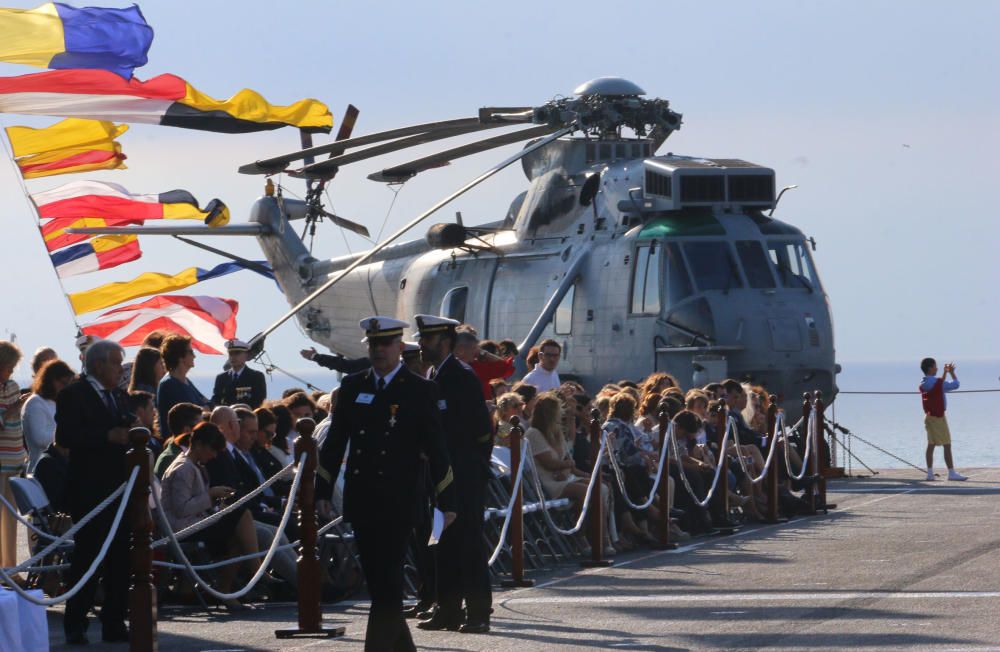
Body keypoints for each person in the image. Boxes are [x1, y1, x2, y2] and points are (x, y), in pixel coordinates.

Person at [315, 316, 456, 652]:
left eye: (385, 344)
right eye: (373, 344)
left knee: (389, 578)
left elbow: (438, 448)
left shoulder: (420, 389)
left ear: (399, 347)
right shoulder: (353, 387)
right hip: (363, 496)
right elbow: (335, 442)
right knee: (380, 583)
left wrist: (447, 499)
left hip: (399, 497)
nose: (378, 350)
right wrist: (322, 488)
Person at [413, 314, 494, 634]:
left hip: (464, 475)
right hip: (441, 475)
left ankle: (477, 612)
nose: (420, 345)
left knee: (469, 543)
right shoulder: (436, 373)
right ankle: (447, 609)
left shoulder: (460, 376)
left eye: (426, 340)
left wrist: (471, 467)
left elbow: (482, 431)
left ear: (444, 342)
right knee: (442, 541)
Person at [55, 339, 134, 645]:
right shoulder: (73, 394)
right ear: (99, 364)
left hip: (119, 488)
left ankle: (114, 622)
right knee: (88, 557)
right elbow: (66, 435)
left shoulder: (117, 395)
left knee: (119, 560)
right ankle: (75, 624)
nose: (120, 369)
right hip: (89, 489)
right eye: (116, 362)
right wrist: (106, 436)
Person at [160, 422, 259, 608]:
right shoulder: (183, 469)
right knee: (242, 515)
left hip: (195, 524)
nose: (214, 456)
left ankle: (226, 588)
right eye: (212, 450)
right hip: (184, 529)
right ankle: (253, 571)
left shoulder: (194, 465)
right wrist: (211, 495)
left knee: (238, 534)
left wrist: (214, 501)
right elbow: (181, 509)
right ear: (198, 445)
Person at [0, 340, 28, 573]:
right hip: (1, 461)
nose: (10, 372)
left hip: (15, 459)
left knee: (10, 519)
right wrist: (11, 409)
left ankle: (10, 569)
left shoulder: (12, 386)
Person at [22, 359, 75, 472]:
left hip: (60, 467)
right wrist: (70, 435)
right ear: (51, 380)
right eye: (63, 383)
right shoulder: (35, 403)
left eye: (68, 384)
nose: (65, 387)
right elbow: (39, 439)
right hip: (42, 469)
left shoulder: (57, 402)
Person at [920, 358, 967, 481]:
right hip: (939, 418)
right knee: (947, 444)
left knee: (931, 445)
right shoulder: (936, 383)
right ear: (930, 368)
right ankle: (951, 473)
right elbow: (956, 385)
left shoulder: (924, 383)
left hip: (929, 417)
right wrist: (951, 372)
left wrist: (945, 374)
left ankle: (930, 473)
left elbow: (938, 384)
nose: (937, 368)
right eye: (935, 366)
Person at [157, 334, 209, 438]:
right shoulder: (169, 385)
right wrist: (204, 409)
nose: (194, 356)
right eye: (191, 352)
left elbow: (208, 404)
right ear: (180, 357)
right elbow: (191, 415)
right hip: (181, 444)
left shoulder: (185, 381)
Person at [454, 325, 514, 399]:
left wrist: (484, 353)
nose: (476, 347)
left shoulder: (477, 366)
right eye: (470, 341)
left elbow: (506, 369)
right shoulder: (448, 365)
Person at [212, 339, 267, 408]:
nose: (233, 357)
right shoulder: (221, 378)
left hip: (247, 416)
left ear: (246, 355)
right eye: (230, 354)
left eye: (237, 353)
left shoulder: (256, 376)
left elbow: (259, 401)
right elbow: (216, 399)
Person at [155, 402, 203, 480]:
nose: (205, 430)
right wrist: (210, 492)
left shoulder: (187, 453)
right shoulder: (170, 459)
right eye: (201, 427)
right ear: (187, 431)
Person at [300, 346, 371, 374]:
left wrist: (316, 357)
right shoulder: (371, 364)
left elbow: (346, 366)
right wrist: (316, 357)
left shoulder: (370, 364)